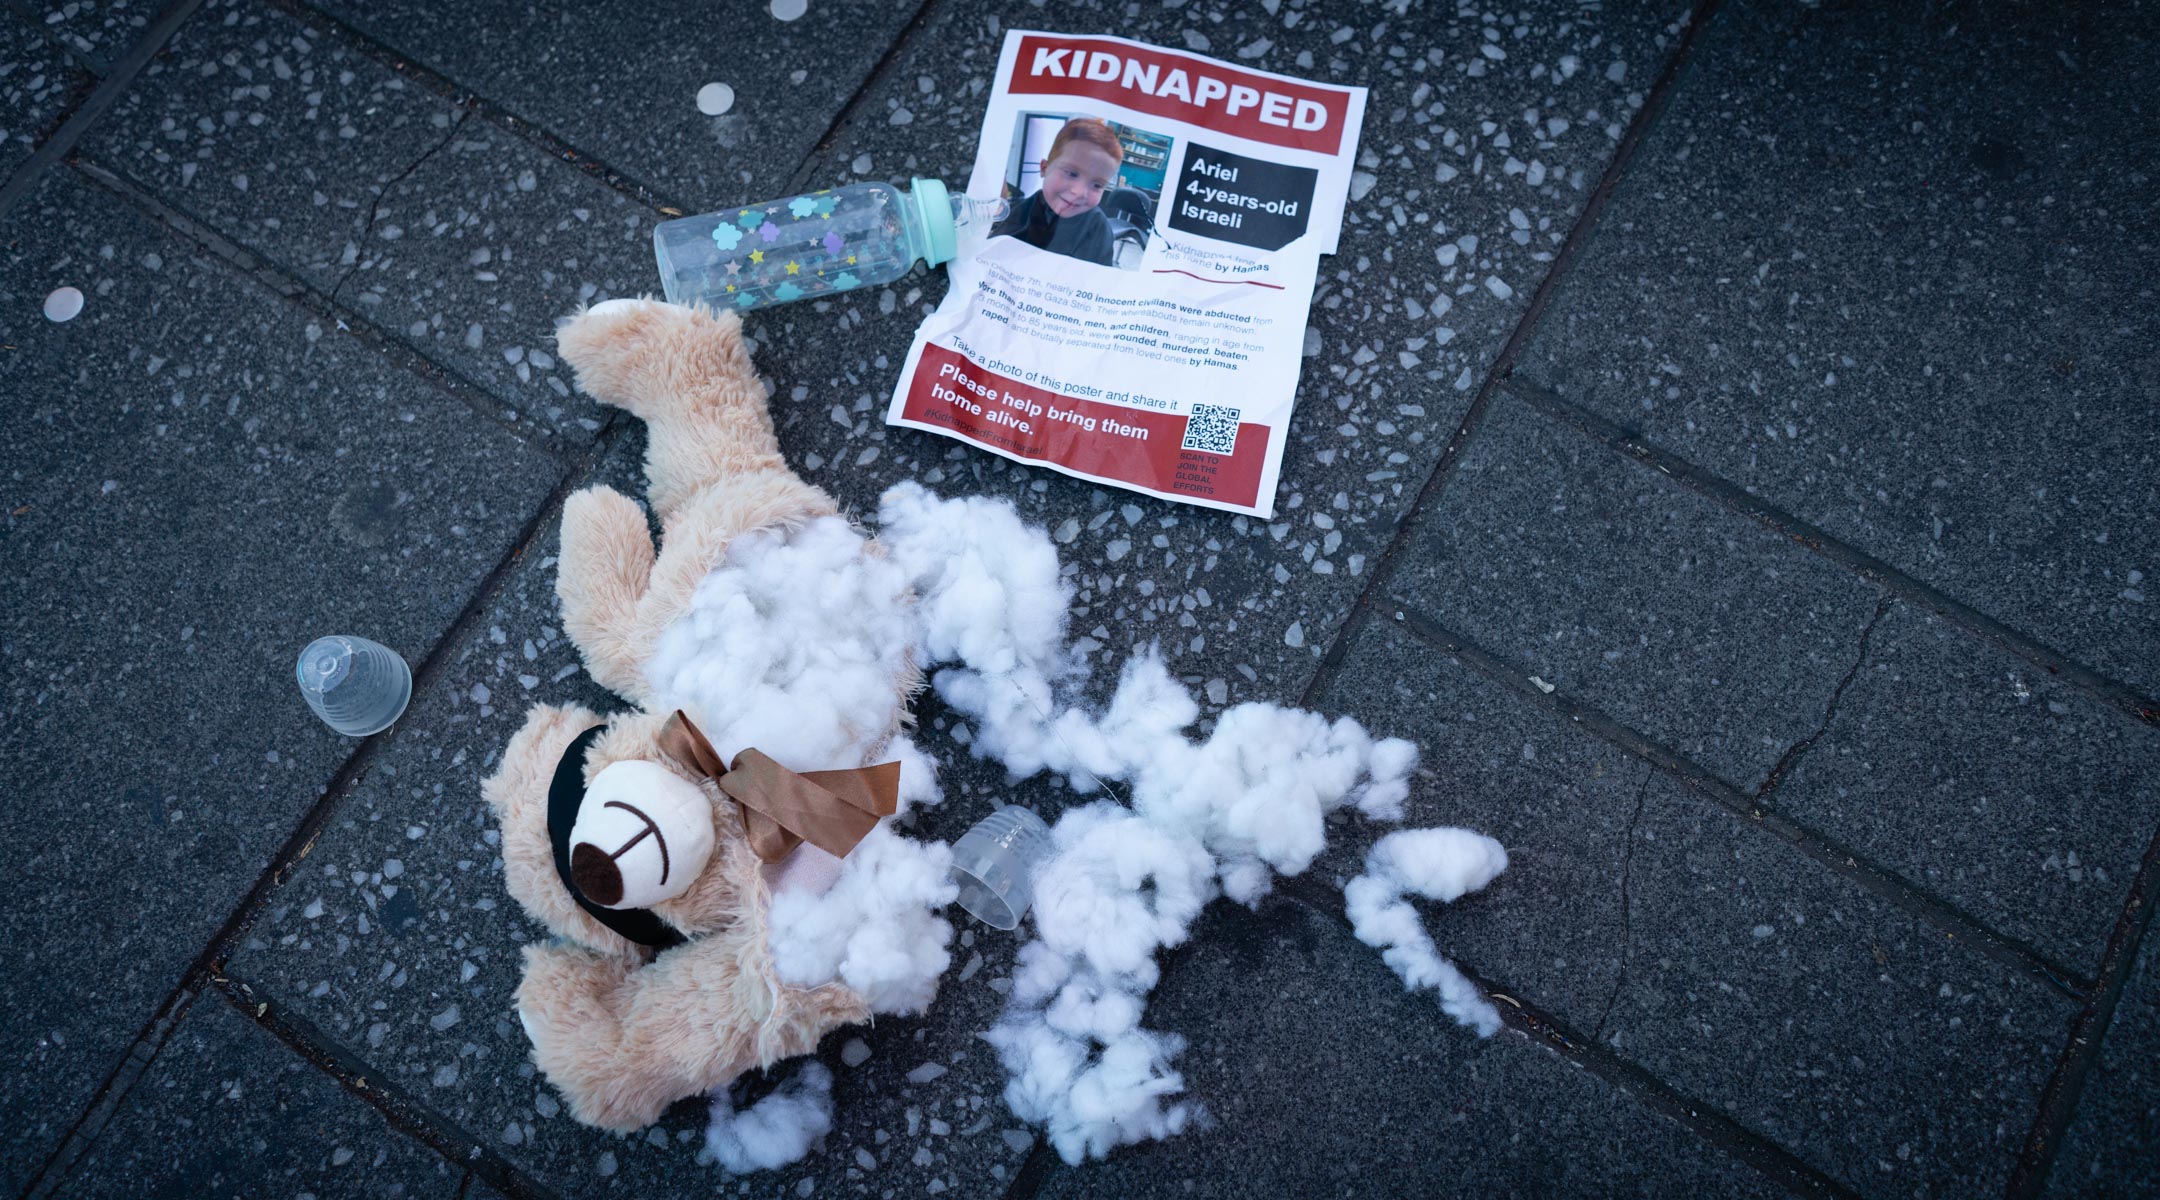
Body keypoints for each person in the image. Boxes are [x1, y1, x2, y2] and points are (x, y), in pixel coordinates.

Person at [991, 116, 1123, 267]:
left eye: (1097, 185)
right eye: (1072, 173)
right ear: (1044, 168)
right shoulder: (1019, 213)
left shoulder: (1098, 229)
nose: (1079, 192)